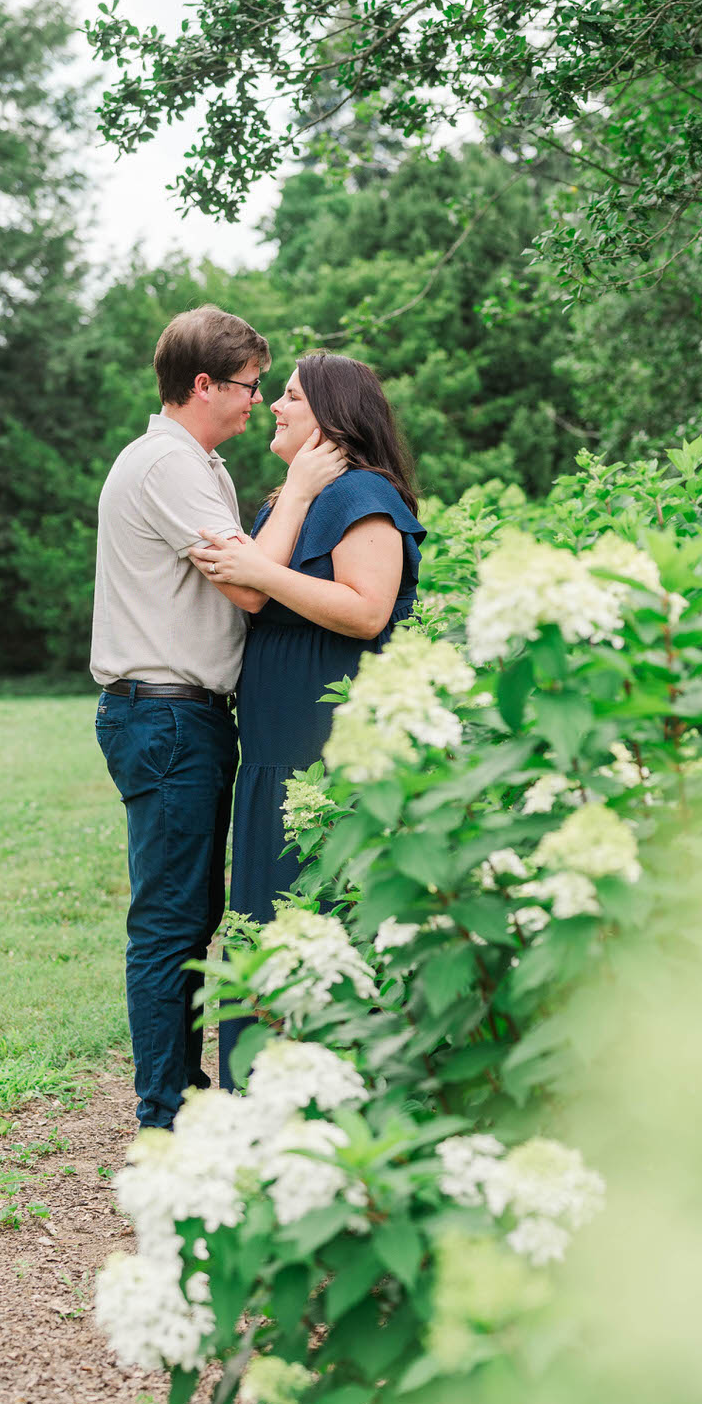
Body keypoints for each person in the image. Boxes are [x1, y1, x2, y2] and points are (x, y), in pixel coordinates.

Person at [90, 305, 344, 1130]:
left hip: (181, 715)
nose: (259, 402)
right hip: (164, 714)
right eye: (248, 386)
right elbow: (244, 586)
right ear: (202, 385)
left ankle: (183, 1093)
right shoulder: (169, 466)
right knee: (170, 921)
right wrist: (302, 488)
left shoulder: (198, 465)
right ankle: (166, 1111)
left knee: (191, 914)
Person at [189, 351, 425, 1088]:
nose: (272, 406)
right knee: (266, 915)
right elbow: (247, 595)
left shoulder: (363, 498)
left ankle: (326, 1099)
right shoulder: (284, 502)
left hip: (327, 743)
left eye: (288, 396)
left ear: (332, 415)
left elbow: (365, 610)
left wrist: (260, 571)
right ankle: (254, 1100)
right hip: (272, 744)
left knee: (317, 911)